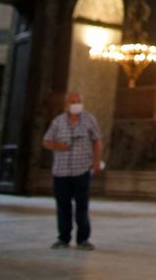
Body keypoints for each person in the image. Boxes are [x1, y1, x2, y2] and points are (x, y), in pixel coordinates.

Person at [42, 91, 103, 251]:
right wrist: (58, 146)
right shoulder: (58, 121)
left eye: (78, 101)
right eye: (72, 101)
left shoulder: (89, 119)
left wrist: (96, 162)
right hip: (61, 172)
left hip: (81, 169)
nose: (75, 104)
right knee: (63, 206)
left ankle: (83, 239)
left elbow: (97, 141)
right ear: (66, 105)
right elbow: (47, 141)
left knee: (82, 205)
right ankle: (63, 238)